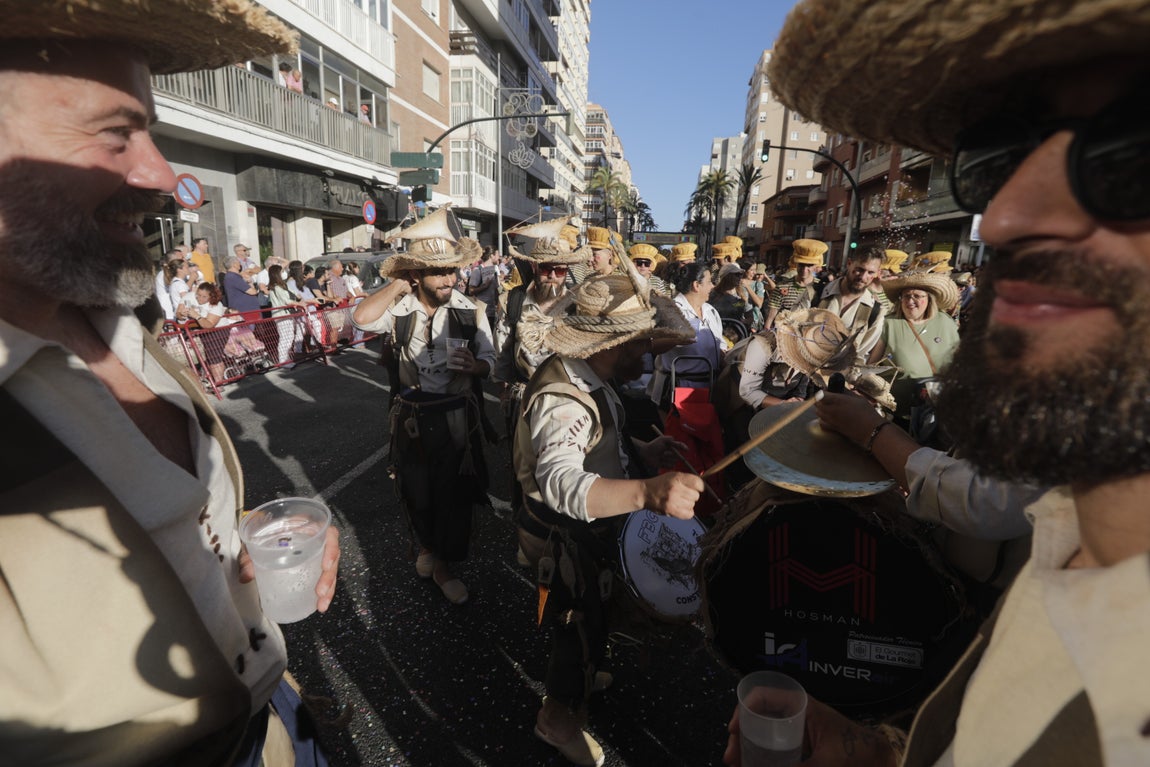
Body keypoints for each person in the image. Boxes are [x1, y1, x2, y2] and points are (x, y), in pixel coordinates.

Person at [722, 1, 1150, 765]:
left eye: (1130, 150)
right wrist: (877, 753)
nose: (1007, 215)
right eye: (998, 156)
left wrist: (878, 429)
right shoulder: (1069, 524)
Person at [0, 3, 339, 765]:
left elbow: (170, 515)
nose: (160, 175)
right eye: (115, 133)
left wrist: (252, 538)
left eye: (150, 131)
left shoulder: (113, 315)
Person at [513, 272, 701, 766]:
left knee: (593, 620)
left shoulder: (591, 375)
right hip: (565, 540)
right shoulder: (562, 397)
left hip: (592, 532)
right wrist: (647, 491)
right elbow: (560, 482)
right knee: (572, 629)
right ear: (610, 344)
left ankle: (586, 670)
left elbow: (601, 442)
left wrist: (643, 449)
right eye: (641, 341)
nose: (649, 351)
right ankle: (555, 720)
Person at [351, 208, 495, 605]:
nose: (449, 278)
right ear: (416, 276)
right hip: (411, 420)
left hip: (454, 420)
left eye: (451, 270)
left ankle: (445, 565)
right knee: (417, 493)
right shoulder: (399, 309)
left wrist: (477, 365)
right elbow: (361, 319)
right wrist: (397, 287)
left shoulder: (471, 311)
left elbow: (492, 362)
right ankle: (428, 548)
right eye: (437, 272)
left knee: (453, 497)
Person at [868, 271, 961, 433]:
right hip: (896, 416)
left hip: (937, 413)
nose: (910, 301)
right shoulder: (889, 324)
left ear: (929, 298)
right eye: (906, 296)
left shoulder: (945, 322)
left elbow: (959, 363)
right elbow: (870, 367)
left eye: (917, 296)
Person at [648, 259, 723, 406]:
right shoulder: (671, 311)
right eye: (709, 282)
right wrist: (675, 339)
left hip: (709, 389)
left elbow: (720, 347)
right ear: (696, 285)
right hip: (677, 389)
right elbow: (653, 346)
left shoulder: (711, 311)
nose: (712, 286)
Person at [813, 246, 886, 365]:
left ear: (878, 273)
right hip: (803, 372)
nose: (863, 277)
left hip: (841, 376)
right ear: (849, 263)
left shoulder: (876, 311)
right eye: (859, 270)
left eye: (870, 272)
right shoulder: (815, 293)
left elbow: (860, 353)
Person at [765, 238, 824, 329]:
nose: (804, 269)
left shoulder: (821, 287)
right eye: (801, 265)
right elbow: (773, 311)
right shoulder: (782, 286)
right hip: (785, 332)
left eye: (809, 265)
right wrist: (767, 328)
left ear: (816, 267)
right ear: (796, 264)